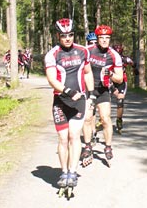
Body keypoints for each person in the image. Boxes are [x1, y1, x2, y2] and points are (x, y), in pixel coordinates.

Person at [44, 18, 95, 190]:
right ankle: (64, 171)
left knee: (74, 136)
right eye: (64, 35)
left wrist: (91, 96)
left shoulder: (83, 51)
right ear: (58, 36)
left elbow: (88, 73)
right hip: (60, 101)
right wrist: (68, 91)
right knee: (63, 138)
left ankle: (73, 172)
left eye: (71, 35)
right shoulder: (52, 55)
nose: (68, 38)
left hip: (79, 101)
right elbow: (51, 79)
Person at [81, 24, 123, 165]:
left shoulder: (114, 55)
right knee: (87, 119)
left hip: (103, 90)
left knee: (105, 118)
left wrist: (110, 74)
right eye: (101, 38)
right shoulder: (88, 51)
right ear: (97, 39)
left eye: (107, 38)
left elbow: (120, 78)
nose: (104, 40)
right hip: (88, 89)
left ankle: (108, 147)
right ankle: (87, 146)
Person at [110, 44, 134, 134]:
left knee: (120, 101)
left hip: (122, 81)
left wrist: (135, 70)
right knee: (106, 100)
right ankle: (102, 118)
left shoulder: (125, 59)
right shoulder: (109, 58)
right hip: (110, 80)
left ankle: (119, 119)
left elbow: (133, 63)